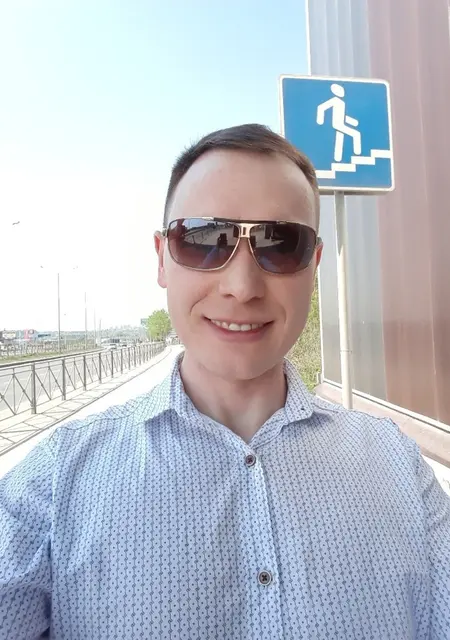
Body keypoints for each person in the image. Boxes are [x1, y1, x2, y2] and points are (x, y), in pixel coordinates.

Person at [0, 124, 449, 639]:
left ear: (314, 265)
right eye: (203, 239)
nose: (241, 286)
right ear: (162, 258)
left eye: (281, 243)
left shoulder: (396, 467)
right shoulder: (57, 482)